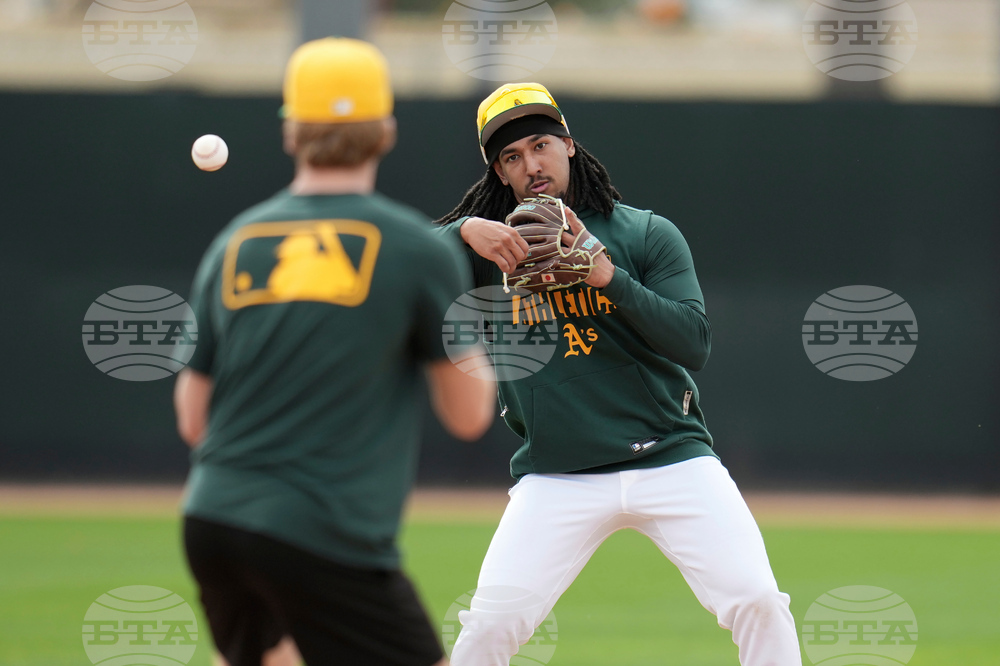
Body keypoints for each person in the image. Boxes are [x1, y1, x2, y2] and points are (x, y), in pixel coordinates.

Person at [434, 82, 802, 665]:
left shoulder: (644, 233)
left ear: (569, 146)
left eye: (540, 145)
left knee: (757, 599)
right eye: (512, 157)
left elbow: (694, 342)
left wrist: (609, 277)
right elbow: (390, 263)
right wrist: (458, 233)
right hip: (558, 473)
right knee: (489, 627)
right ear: (499, 174)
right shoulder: (487, 248)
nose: (532, 165)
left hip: (670, 457)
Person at [173, 38, 496, 666]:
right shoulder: (418, 248)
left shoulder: (235, 243)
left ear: (291, 133)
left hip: (213, 520)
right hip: (325, 533)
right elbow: (467, 415)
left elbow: (193, 419)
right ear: (386, 132)